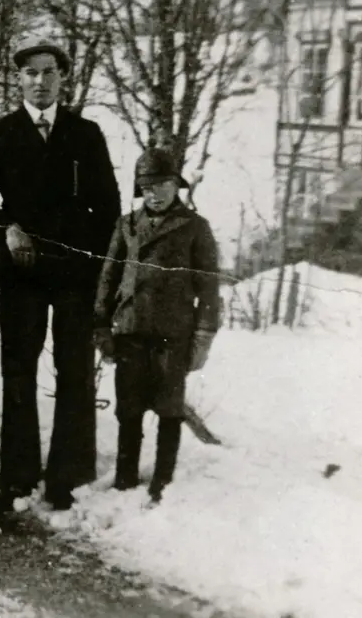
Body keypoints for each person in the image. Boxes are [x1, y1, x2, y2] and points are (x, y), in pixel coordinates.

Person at [0, 37, 121, 510]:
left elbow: (107, 207)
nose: (40, 82)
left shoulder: (85, 134)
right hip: (21, 273)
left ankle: (69, 477)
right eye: (31, 73)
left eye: (49, 72)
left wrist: (88, 259)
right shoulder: (1, 135)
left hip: (74, 274)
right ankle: (19, 475)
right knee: (19, 373)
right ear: (18, 80)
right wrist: (5, 229)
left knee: (74, 373)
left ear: (63, 79)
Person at [93, 148, 221, 504]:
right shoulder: (126, 225)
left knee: (169, 409)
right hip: (131, 332)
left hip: (172, 335)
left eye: (164, 184)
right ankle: (125, 476)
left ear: (176, 185)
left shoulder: (195, 228)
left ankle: (163, 480)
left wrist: (203, 337)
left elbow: (209, 287)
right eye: (148, 186)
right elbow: (108, 276)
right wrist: (102, 326)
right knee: (129, 409)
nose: (156, 193)